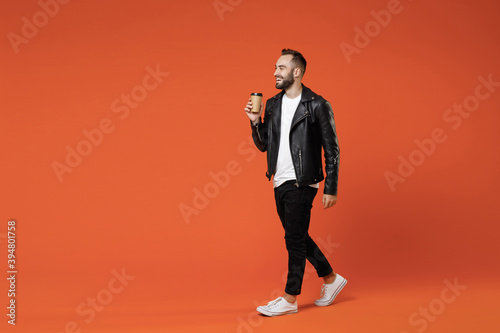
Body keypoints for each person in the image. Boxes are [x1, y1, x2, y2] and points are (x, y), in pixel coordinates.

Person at [244, 49, 347, 316]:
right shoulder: (274, 104)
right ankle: (331, 278)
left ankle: (289, 299)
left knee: (293, 240)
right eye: (275, 68)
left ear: (296, 72)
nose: (275, 72)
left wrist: (331, 187)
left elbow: (331, 149)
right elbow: (265, 145)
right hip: (279, 179)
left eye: (281, 68)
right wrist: (255, 123)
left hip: (303, 180)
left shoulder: (317, 104)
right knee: (297, 236)